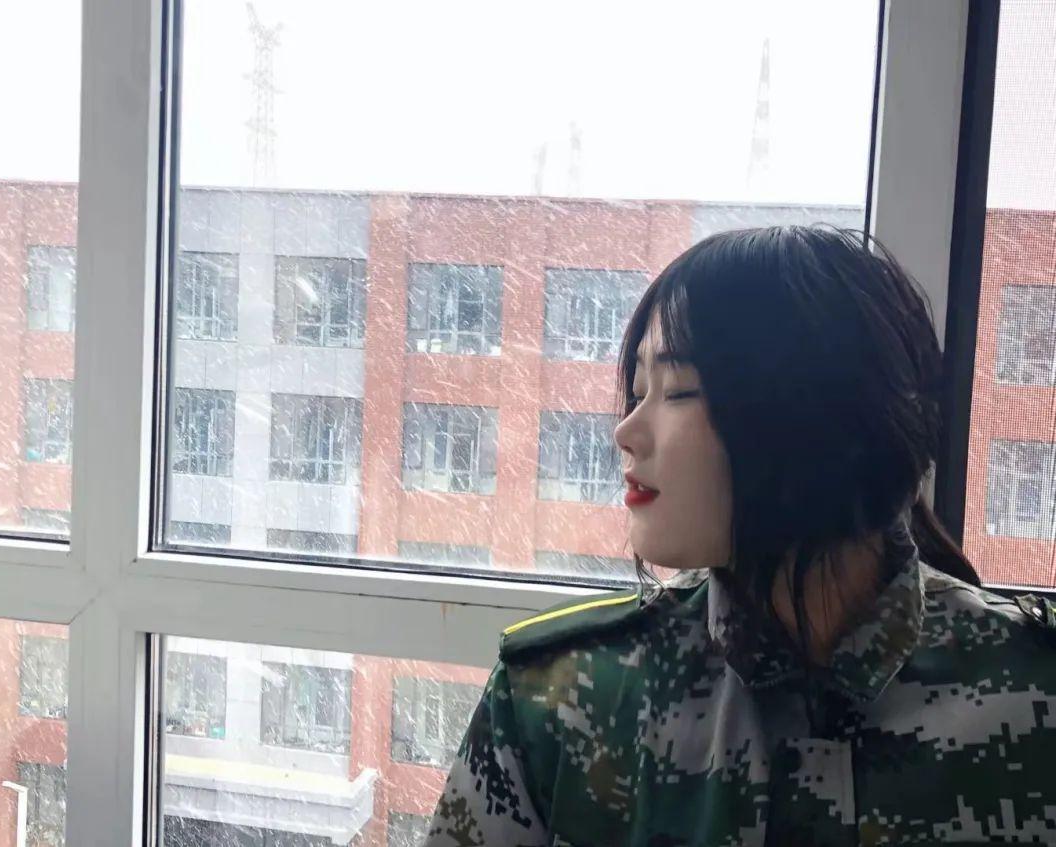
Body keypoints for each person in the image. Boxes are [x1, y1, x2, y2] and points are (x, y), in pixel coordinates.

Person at [421, 226, 1056, 847]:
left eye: (678, 391)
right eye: (637, 392)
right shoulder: (558, 696)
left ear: (814, 413)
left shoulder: (1035, 690)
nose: (626, 432)